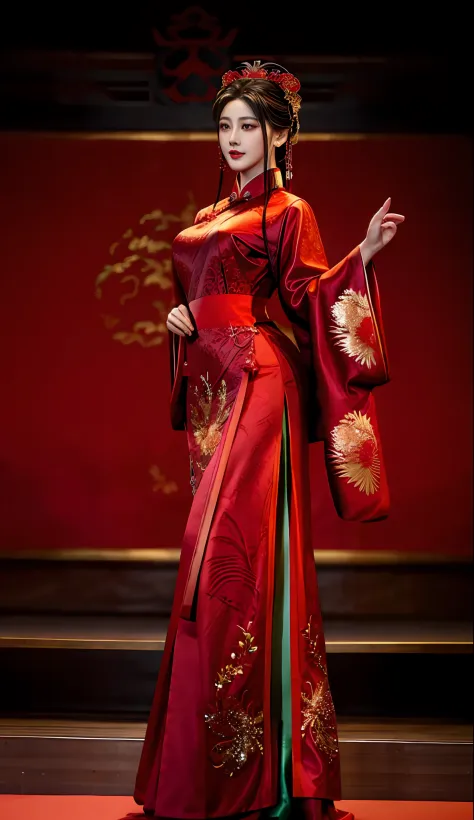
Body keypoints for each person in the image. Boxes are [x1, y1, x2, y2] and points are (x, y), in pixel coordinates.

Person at [133, 61, 404, 820]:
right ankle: (216, 766)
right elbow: (197, 294)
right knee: (213, 565)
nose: (233, 139)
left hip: (258, 382)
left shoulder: (289, 211)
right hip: (214, 387)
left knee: (234, 562)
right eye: (224, 127)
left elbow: (309, 297)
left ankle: (263, 776)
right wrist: (178, 320)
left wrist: (366, 257)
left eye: (248, 126)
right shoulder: (212, 210)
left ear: (281, 133)